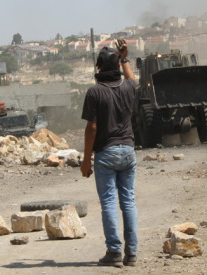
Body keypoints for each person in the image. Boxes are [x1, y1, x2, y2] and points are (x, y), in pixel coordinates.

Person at [80, 39, 138, 267]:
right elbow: (132, 78)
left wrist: (86, 161)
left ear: (98, 68)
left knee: (109, 203)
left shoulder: (94, 92)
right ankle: (132, 253)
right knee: (129, 202)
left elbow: (91, 128)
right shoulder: (128, 87)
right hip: (128, 151)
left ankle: (114, 252)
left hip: (106, 154)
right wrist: (125, 58)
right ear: (116, 67)